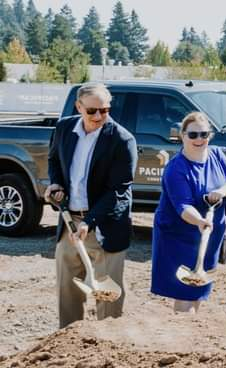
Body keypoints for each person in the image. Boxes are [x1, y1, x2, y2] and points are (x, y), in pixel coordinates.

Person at [45, 83, 138, 328]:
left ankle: (108, 347)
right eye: (92, 110)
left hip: (105, 226)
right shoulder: (64, 128)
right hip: (69, 223)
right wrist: (56, 184)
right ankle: (69, 346)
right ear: (78, 106)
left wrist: (89, 221)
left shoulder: (122, 139)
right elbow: (54, 158)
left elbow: (119, 190)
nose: (98, 116)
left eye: (105, 110)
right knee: (67, 291)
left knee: (107, 296)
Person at [150, 112, 226, 313]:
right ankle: (183, 336)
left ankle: (192, 333)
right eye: (193, 135)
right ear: (182, 136)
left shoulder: (216, 154)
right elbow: (183, 206)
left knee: (199, 288)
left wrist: (222, 191)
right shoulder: (176, 168)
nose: (199, 139)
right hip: (180, 234)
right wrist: (199, 221)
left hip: (209, 234)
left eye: (204, 134)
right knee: (185, 291)